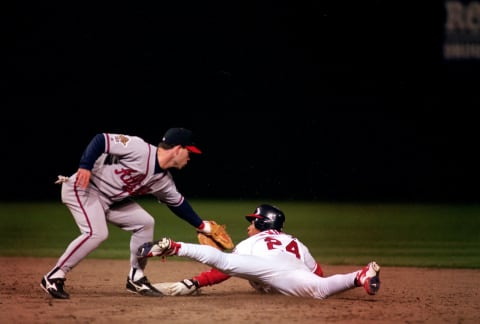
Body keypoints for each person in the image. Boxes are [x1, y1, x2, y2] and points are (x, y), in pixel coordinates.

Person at [40, 127, 218, 299]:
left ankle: (136, 277)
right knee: (96, 233)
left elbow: (179, 204)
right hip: (84, 188)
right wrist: (85, 166)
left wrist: (202, 226)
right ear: (178, 149)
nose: (190, 157)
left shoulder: (164, 181)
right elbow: (101, 139)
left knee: (145, 222)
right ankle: (54, 276)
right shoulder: (139, 148)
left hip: (110, 200)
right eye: (189, 152)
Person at [138, 204, 381, 299]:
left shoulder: (252, 242)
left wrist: (195, 282)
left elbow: (224, 270)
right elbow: (319, 273)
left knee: (224, 260)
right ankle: (360, 276)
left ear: (264, 224)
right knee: (320, 288)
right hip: (292, 272)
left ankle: (174, 246)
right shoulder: (296, 241)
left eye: (253, 222)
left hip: (268, 269)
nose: (249, 226)